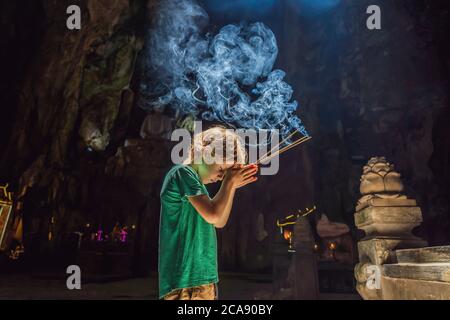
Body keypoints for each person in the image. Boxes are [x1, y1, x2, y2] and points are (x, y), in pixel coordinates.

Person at [159, 126, 258, 300]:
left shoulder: (198, 189)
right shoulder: (182, 173)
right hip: (183, 279)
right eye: (222, 169)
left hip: (203, 276)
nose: (221, 177)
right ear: (205, 151)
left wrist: (231, 185)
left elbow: (219, 221)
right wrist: (228, 183)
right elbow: (213, 215)